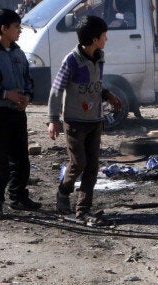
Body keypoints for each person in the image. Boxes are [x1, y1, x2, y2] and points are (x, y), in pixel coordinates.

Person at [47, 15, 121, 226]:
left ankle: (83, 210)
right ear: (94, 38)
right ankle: (63, 192)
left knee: (92, 167)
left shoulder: (100, 56)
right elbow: (56, 90)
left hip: (94, 121)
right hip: (75, 122)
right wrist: (53, 120)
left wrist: (107, 95)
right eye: (104, 36)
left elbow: (96, 83)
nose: (106, 39)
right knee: (78, 163)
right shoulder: (71, 61)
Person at [0, 8, 42, 215]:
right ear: (3, 29)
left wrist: (27, 97)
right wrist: (5, 94)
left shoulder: (19, 53)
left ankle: (18, 196)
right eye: (16, 27)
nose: (20, 31)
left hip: (17, 113)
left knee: (21, 158)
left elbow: (28, 81)